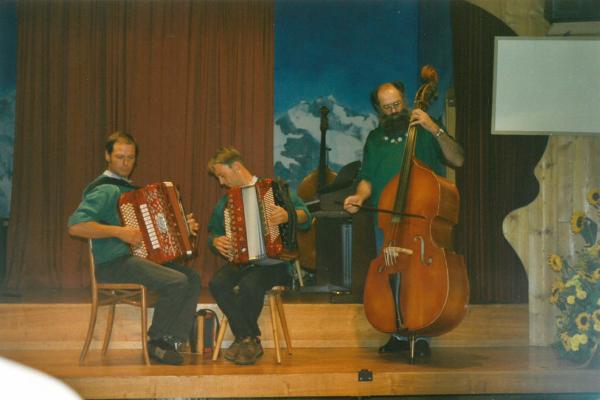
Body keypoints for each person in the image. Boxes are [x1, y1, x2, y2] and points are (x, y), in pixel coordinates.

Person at [343, 81, 464, 358]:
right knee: (392, 273)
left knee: (421, 277)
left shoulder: (425, 130)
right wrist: (359, 197)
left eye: (397, 104)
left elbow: (458, 159)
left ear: (405, 100)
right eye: (387, 108)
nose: (394, 111)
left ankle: (421, 333)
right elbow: (367, 178)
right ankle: (397, 332)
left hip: (422, 220)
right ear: (379, 109)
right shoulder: (375, 138)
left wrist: (434, 128)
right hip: (388, 221)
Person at [68, 131, 201, 365]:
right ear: (107, 156)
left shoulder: (129, 191)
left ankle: (171, 340)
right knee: (176, 281)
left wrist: (182, 229)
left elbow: (154, 233)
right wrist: (119, 232)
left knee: (192, 278)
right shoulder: (104, 190)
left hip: (135, 261)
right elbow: (76, 226)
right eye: (120, 157)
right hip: (112, 264)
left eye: (130, 158)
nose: (125, 163)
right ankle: (156, 342)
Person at [207, 147, 311, 365]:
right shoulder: (226, 202)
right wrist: (216, 242)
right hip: (242, 262)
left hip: (275, 262)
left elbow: (306, 216)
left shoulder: (275, 190)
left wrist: (288, 214)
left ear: (236, 167)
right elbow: (213, 233)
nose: (221, 183)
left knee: (249, 285)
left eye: (222, 175)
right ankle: (248, 337)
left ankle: (245, 339)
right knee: (217, 283)